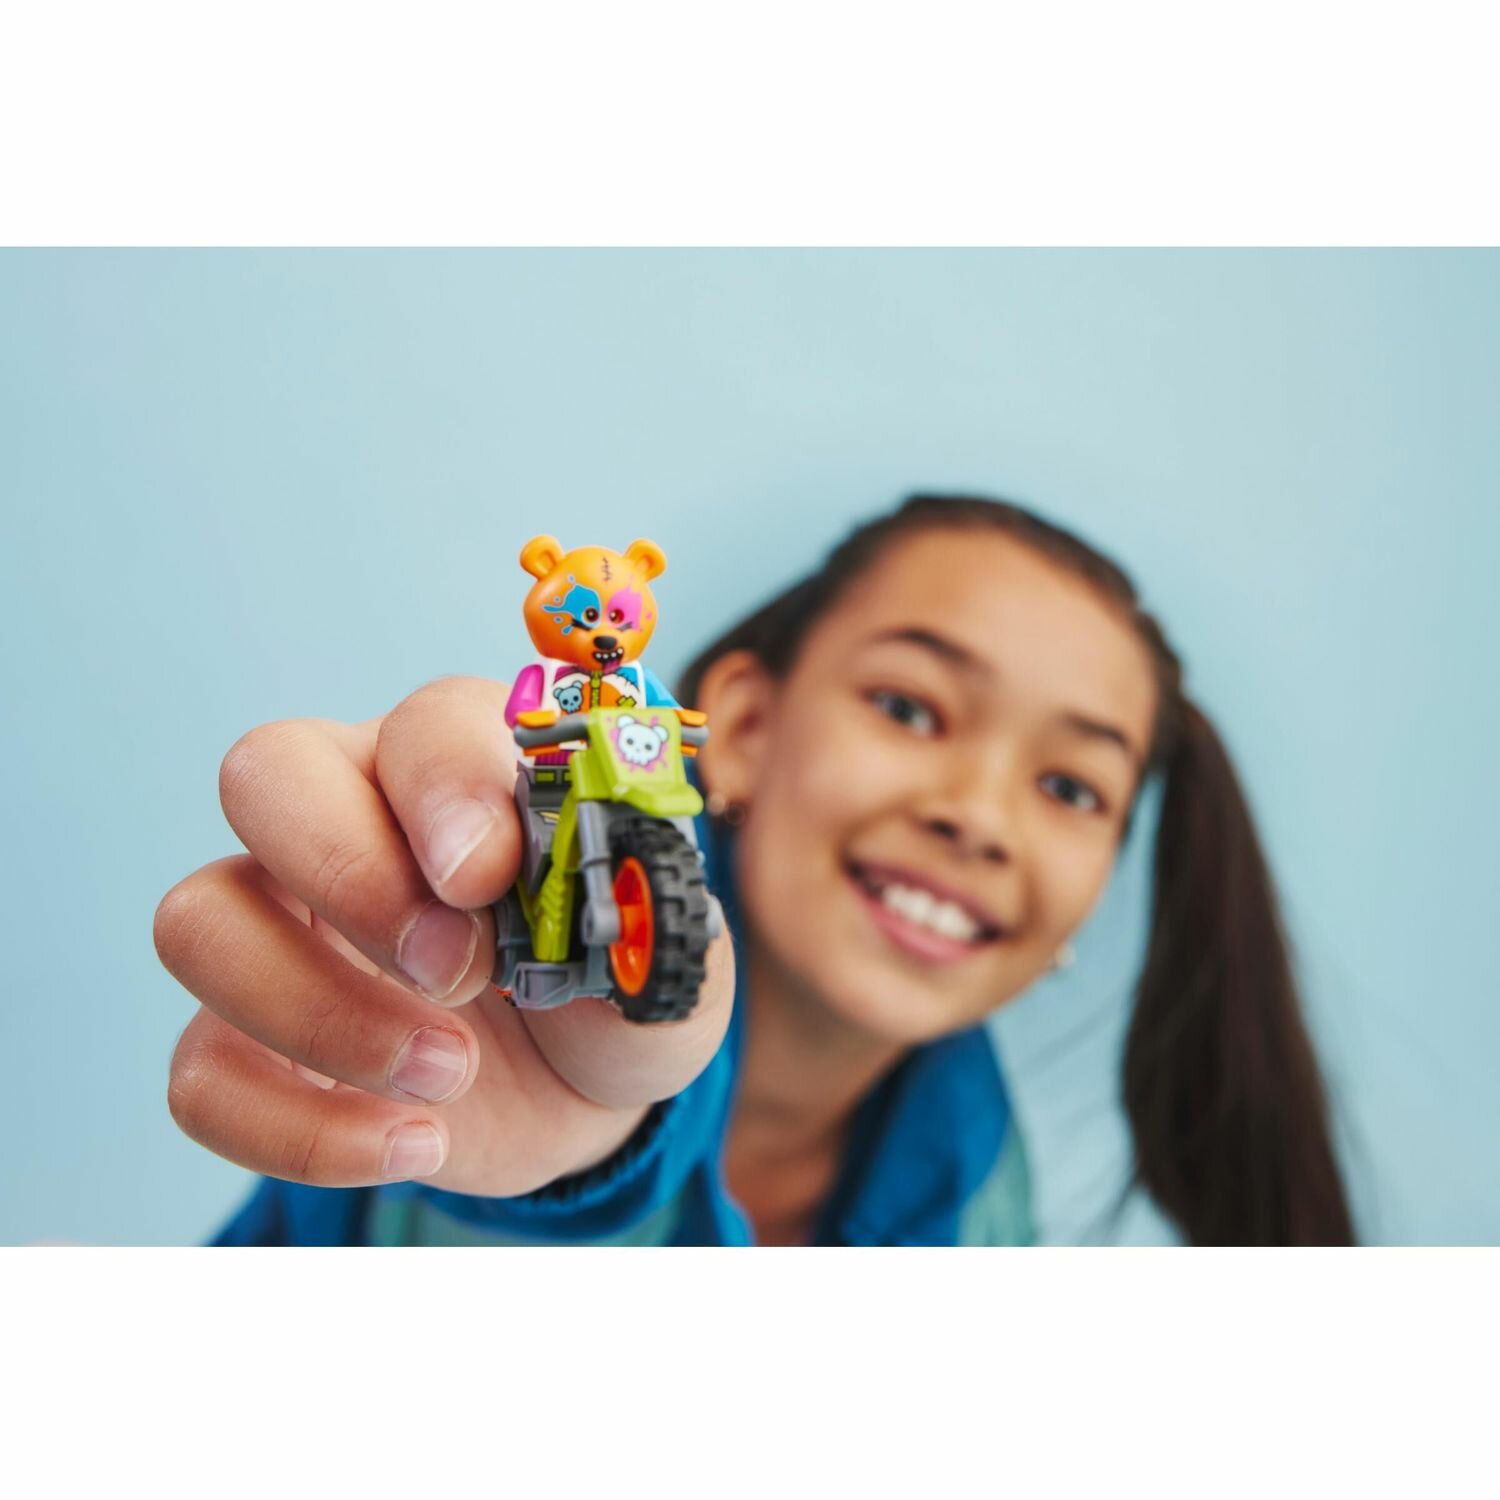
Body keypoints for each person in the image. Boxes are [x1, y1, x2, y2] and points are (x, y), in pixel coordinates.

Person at [154, 494, 1355, 1246]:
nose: (981, 818)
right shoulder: (487, 1072)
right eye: (909, 707)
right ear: (741, 728)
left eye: (1072, 789)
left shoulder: (989, 1196)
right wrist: (581, 1134)